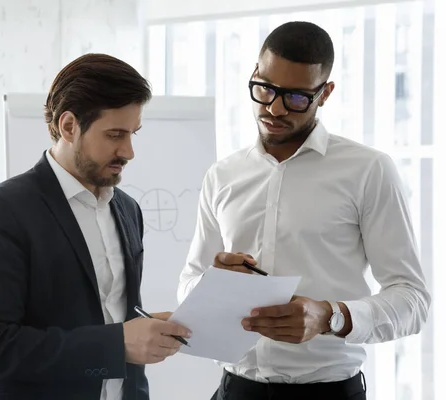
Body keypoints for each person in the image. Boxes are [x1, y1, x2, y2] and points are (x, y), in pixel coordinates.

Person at [178, 21, 431, 400]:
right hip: (234, 391)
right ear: (253, 75)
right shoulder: (223, 175)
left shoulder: (368, 170)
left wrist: (331, 317)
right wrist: (213, 284)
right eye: (264, 89)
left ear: (324, 93)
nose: (274, 109)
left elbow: (412, 299)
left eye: (295, 98)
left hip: (328, 392)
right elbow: (189, 285)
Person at [0, 53, 191, 400]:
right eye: (115, 134)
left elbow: (111, 315)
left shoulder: (128, 210)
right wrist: (117, 343)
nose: (128, 151)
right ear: (69, 126)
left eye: (133, 134)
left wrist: (144, 333)